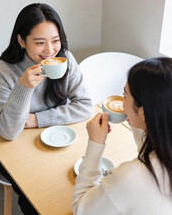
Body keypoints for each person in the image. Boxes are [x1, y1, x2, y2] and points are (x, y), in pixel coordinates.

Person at [0, 3, 93, 214]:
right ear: (21, 41)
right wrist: (23, 88)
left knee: (75, 189)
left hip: (56, 140)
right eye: (39, 43)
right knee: (37, 202)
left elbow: (86, 106)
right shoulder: (2, 70)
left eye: (55, 41)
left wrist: (37, 119)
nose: (50, 51)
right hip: (11, 150)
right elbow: (7, 132)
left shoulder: (66, 60)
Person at [72, 57, 172, 215]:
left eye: (124, 96)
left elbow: (81, 208)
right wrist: (139, 122)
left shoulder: (131, 177)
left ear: (144, 112)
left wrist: (95, 143)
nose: (122, 104)